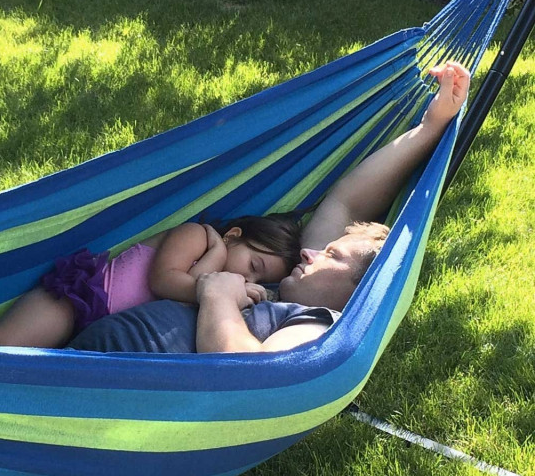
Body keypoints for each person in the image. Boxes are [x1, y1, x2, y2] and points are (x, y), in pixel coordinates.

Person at [65, 61, 471, 355]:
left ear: (360, 292)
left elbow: (247, 376)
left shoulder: (319, 326)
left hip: (105, 390)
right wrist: (430, 127)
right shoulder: (281, 286)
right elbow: (346, 200)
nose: (310, 252)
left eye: (332, 255)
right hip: (82, 361)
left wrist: (218, 295)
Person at [0, 212, 301, 347]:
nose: (246, 276)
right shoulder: (197, 235)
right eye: (254, 264)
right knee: (2, 344)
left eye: (259, 278)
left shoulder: (214, 282)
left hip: (93, 335)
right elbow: (163, 281)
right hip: (76, 300)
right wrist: (216, 257)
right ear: (234, 235)